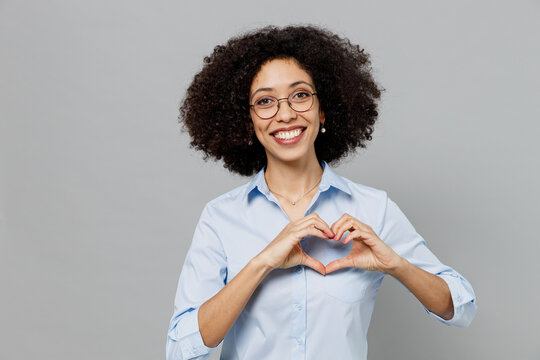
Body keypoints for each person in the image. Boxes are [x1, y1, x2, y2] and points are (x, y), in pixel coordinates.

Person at [166, 25, 477, 360]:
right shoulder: (221, 217)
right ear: (248, 121)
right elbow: (181, 349)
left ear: (323, 109)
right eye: (265, 101)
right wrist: (262, 263)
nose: (285, 114)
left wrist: (396, 265)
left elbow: (461, 308)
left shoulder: (373, 208)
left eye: (300, 95)